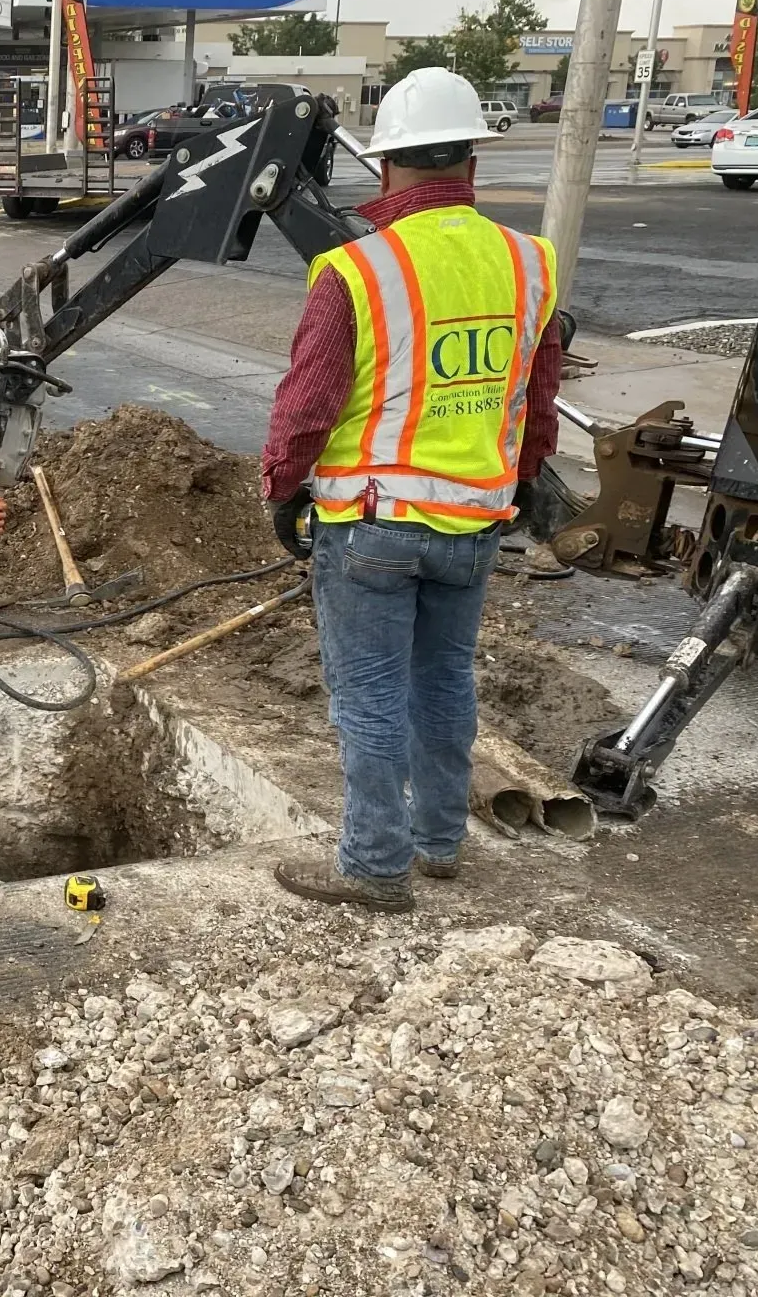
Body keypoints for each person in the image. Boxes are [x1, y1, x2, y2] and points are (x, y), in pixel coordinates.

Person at [263, 67, 564, 913]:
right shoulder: (529, 262)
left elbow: (307, 406)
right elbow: (536, 402)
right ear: (470, 160)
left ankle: (374, 866)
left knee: (369, 697)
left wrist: (283, 491)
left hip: (371, 531)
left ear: (386, 165)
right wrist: (527, 479)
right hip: (474, 526)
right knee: (443, 685)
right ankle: (438, 843)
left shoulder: (355, 270)